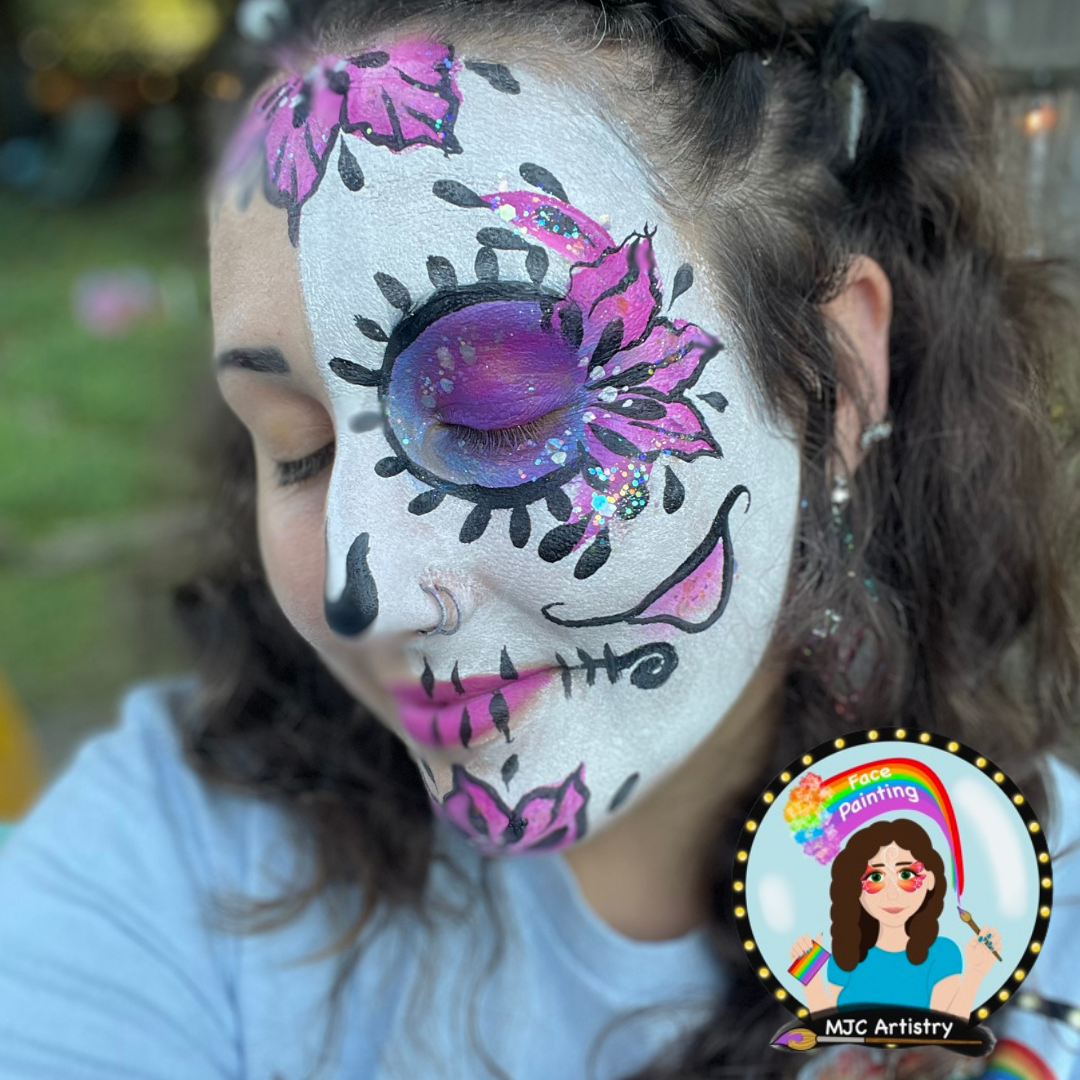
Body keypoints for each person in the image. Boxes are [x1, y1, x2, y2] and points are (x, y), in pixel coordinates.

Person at [1, 2, 1079, 1078]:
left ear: (834, 382)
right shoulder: (164, 854)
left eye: (499, 408)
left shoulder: (1050, 929)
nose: (355, 593)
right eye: (297, 450)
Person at [791, 819, 999, 1017]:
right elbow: (827, 1029)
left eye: (906, 875)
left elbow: (946, 1031)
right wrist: (808, 971)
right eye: (875, 878)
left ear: (930, 880)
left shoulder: (943, 954)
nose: (892, 894)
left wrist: (975, 973)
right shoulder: (844, 954)